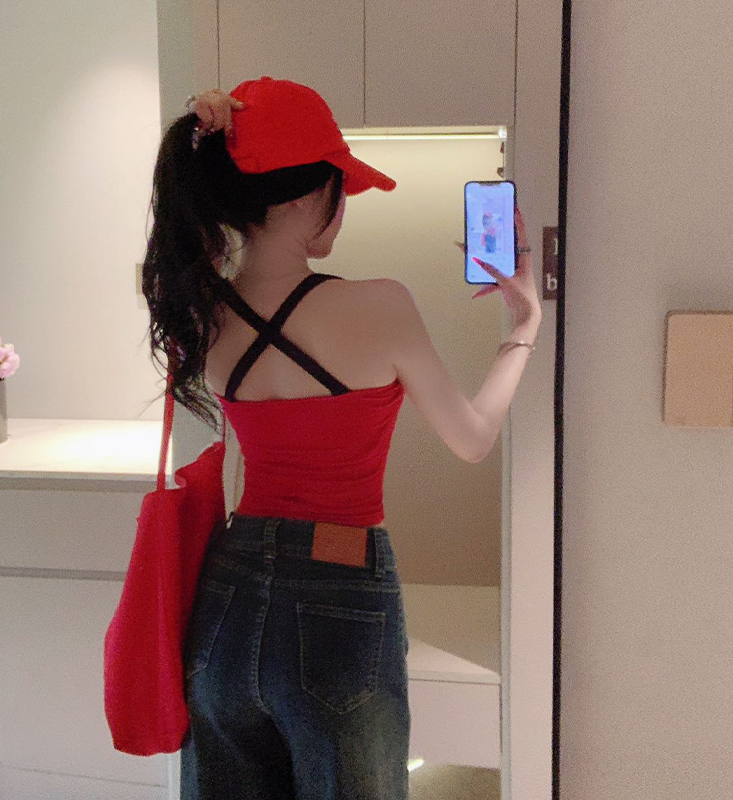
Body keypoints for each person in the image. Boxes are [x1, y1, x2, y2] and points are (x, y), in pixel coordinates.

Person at [140, 77, 541, 800]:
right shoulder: (379, 304)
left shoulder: (201, 312)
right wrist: (524, 328)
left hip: (226, 591)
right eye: (339, 187)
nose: (343, 204)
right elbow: (473, 438)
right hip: (339, 587)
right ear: (302, 197)